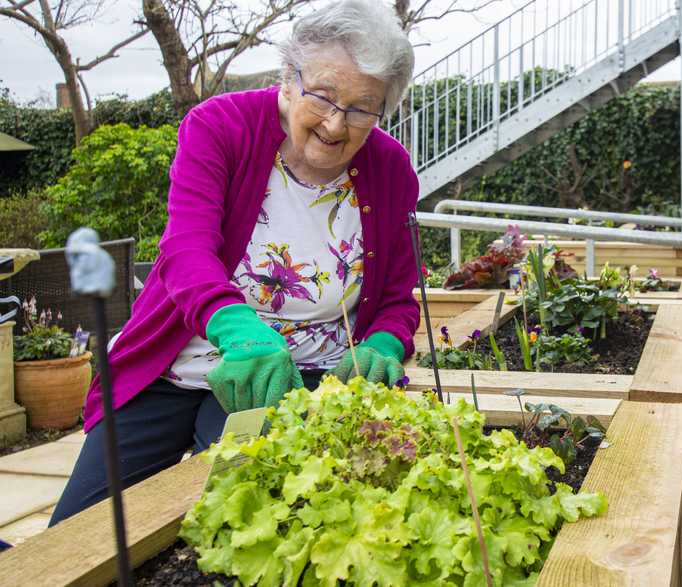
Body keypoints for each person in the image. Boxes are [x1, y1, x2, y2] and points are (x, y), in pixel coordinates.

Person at [50, 0, 418, 526]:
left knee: (236, 522)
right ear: (288, 80)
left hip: (294, 379)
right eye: (323, 96)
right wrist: (239, 329)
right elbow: (185, 250)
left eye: (363, 107)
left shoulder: (391, 170)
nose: (337, 124)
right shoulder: (221, 126)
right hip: (174, 361)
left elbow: (400, 299)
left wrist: (383, 343)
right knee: (76, 535)